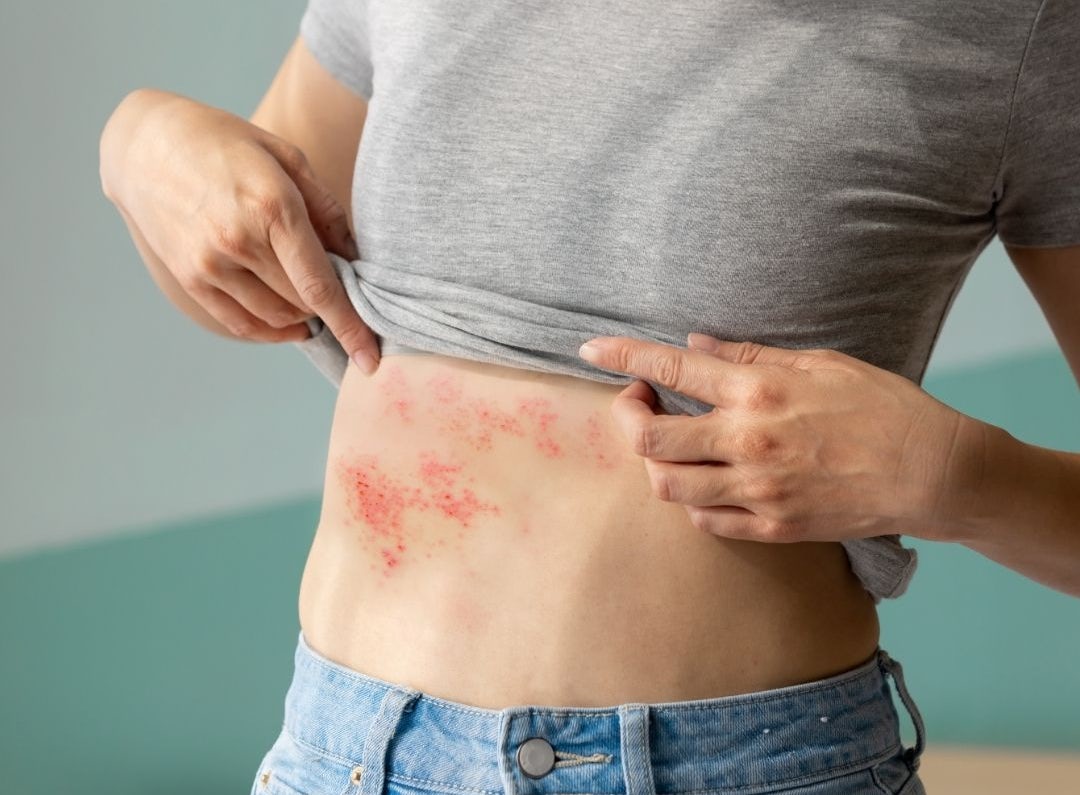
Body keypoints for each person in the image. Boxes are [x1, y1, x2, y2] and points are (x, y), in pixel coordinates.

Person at [99, 1, 1080, 793]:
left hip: (735, 768)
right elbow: (250, 266)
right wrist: (138, 141)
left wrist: (951, 476)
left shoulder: (1013, 29)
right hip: (342, 756)